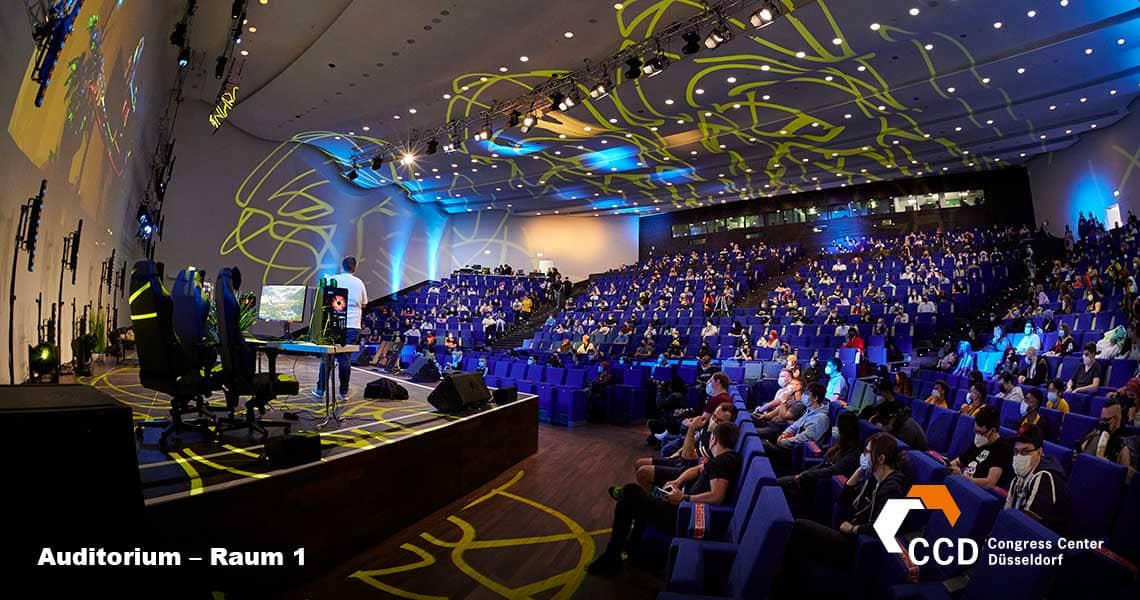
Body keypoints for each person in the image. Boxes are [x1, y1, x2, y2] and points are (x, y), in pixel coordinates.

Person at [588, 422, 742, 575]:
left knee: (631, 491)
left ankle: (614, 555)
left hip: (682, 513)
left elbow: (717, 497)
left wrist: (684, 498)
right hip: (680, 503)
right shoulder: (718, 459)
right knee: (625, 504)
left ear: (713, 439)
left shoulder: (724, 461)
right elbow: (696, 469)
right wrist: (678, 481)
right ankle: (620, 552)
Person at [776, 433, 911, 594]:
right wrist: (859, 472)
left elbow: (883, 529)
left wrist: (853, 529)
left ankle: (783, 586)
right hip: (849, 534)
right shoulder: (874, 479)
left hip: (857, 545)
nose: (863, 456)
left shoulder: (894, 487)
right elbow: (843, 501)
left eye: (867, 453)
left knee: (799, 526)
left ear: (880, 459)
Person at [635, 402, 739, 491]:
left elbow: (688, 455)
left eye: (719, 421)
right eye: (714, 416)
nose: (714, 421)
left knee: (643, 473)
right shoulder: (709, 427)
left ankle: (658, 498)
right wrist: (675, 454)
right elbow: (694, 440)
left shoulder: (718, 443)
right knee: (639, 463)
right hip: (680, 461)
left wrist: (692, 427)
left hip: (686, 469)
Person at [778, 411, 861, 517]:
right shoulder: (838, 447)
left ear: (844, 432)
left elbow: (832, 470)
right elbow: (824, 464)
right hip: (811, 479)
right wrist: (804, 474)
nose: (834, 429)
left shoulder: (853, 454)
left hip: (820, 487)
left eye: (837, 427)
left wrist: (805, 476)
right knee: (778, 483)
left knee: (781, 488)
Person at [314, 256, 368, 401]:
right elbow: (363, 304)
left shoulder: (333, 279)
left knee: (327, 358)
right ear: (354, 268)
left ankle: (320, 390)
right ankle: (343, 392)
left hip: (334, 324)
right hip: (352, 325)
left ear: (341, 266)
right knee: (345, 359)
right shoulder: (359, 283)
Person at [1006, 425, 1072, 533]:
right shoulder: (1019, 477)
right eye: (1016, 451)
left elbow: (1026, 524)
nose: (1019, 456)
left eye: (1025, 451)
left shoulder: (1045, 477)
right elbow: (1008, 512)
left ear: (1039, 452)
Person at [765, 381, 829, 474]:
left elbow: (804, 439)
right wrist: (784, 434)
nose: (803, 396)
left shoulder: (820, 418)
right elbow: (795, 426)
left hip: (796, 451)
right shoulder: (810, 410)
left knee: (763, 445)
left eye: (807, 394)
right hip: (789, 444)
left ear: (815, 398)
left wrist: (783, 441)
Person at [950, 405, 1012, 490]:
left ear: (992, 430)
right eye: (976, 432)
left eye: (980, 432)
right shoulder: (978, 442)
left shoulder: (1002, 448)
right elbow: (958, 461)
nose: (977, 436)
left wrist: (962, 478)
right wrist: (949, 466)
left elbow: (990, 482)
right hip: (961, 485)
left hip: (976, 492)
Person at [1076, 398, 1135, 472]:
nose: (1103, 423)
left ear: (1117, 419)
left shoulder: (1124, 446)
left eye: (1106, 420)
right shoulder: (1094, 432)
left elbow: (1124, 477)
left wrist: (1107, 465)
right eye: (1101, 419)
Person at [753, 373, 805, 440]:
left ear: (799, 387)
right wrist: (764, 416)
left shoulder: (799, 404)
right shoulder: (790, 399)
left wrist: (784, 401)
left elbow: (784, 416)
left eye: (793, 384)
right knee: (749, 417)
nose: (790, 386)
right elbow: (776, 411)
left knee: (751, 431)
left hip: (776, 429)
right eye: (790, 384)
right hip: (771, 422)